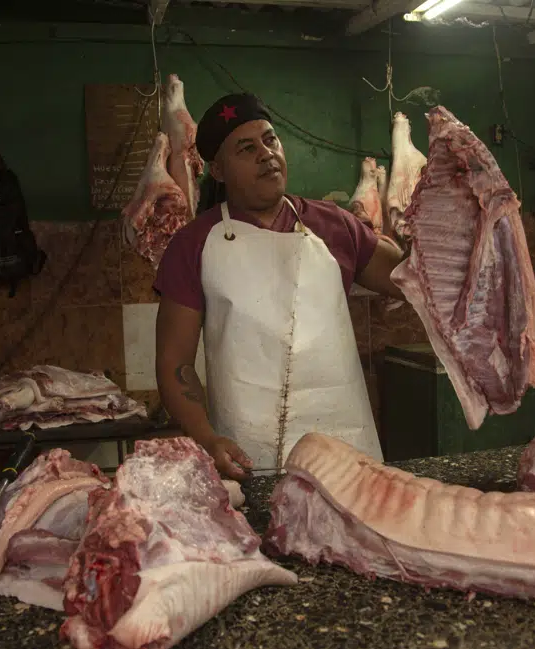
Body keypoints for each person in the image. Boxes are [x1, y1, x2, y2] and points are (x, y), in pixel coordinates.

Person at [153, 92, 406, 480]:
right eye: (246, 148)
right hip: (249, 458)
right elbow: (175, 363)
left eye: (270, 140)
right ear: (218, 170)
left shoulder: (334, 225)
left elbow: (411, 281)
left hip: (347, 457)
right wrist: (206, 438)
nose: (266, 154)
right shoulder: (193, 245)